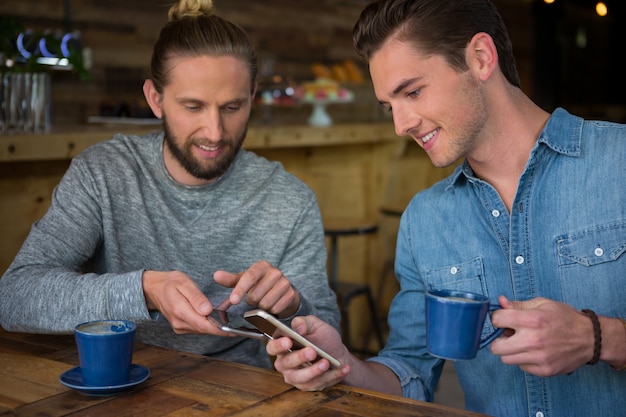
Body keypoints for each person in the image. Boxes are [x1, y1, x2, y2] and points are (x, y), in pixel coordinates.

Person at [265, 0, 626, 415]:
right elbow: (409, 371)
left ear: (480, 58)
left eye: (413, 92)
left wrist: (599, 338)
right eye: (390, 106)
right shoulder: (424, 220)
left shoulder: (619, 162)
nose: (401, 125)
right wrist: (342, 365)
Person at [0, 0, 340, 370]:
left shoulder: (289, 199)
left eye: (232, 107)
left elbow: (328, 336)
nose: (214, 132)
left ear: (253, 96)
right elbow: (14, 296)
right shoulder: (104, 174)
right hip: (123, 385)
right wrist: (144, 290)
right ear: (155, 99)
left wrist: (292, 307)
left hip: (251, 392)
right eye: (193, 107)